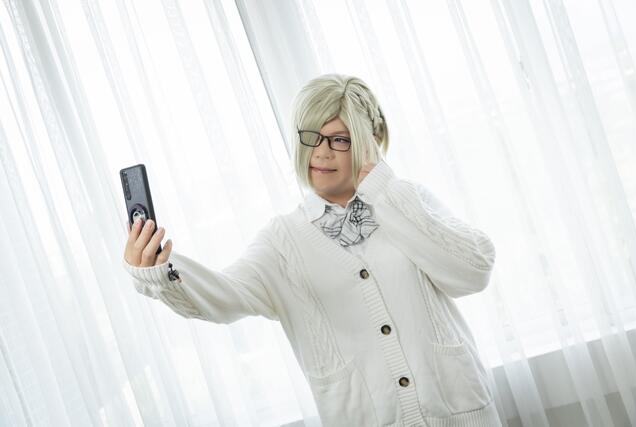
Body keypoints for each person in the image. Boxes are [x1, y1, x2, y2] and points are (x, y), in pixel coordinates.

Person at [123, 74, 501, 426]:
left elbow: (473, 271)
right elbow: (222, 296)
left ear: (366, 142)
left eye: (340, 140)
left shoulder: (408, 201)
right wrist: (161, 271)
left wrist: (385, 191)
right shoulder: (282, 240)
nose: (321, 153)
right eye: (311, 137)